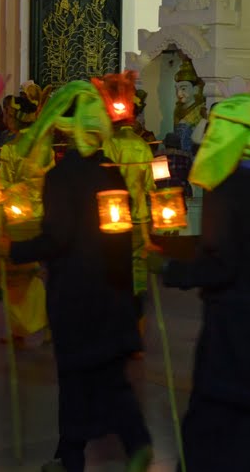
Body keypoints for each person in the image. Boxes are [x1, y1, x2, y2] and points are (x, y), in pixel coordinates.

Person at [149, 94, 250, 471]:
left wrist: (168, 268)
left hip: (234, 339)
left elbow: (221, 266)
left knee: (209, 432)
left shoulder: (229, 192)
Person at [6, 81, 152, 472]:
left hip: (76, 296)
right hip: (112, 291)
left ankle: (73, 458)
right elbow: (119, 235)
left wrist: (17, 249)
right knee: (109, 377)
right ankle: (131, 441)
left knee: (74, 378)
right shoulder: (112, 175)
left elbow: (58, 237)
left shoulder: (61, 178)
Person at [94, 71, 156, 348]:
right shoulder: (144, 147)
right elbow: (152, 186)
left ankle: (117, 334)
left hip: (113, 222)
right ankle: (138, 336)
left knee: (114, 276)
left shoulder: (108, 144)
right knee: (138, 279)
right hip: (141, 220)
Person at [0, 84, 51, 347]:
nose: (5, 120)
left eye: (7, 115)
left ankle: (21, 329)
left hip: (17, 218)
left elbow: (4, 186)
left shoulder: (12, 149)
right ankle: (40, 324)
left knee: (15, 274)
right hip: (40, 215)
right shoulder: (44, 147)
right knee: (34, 273)